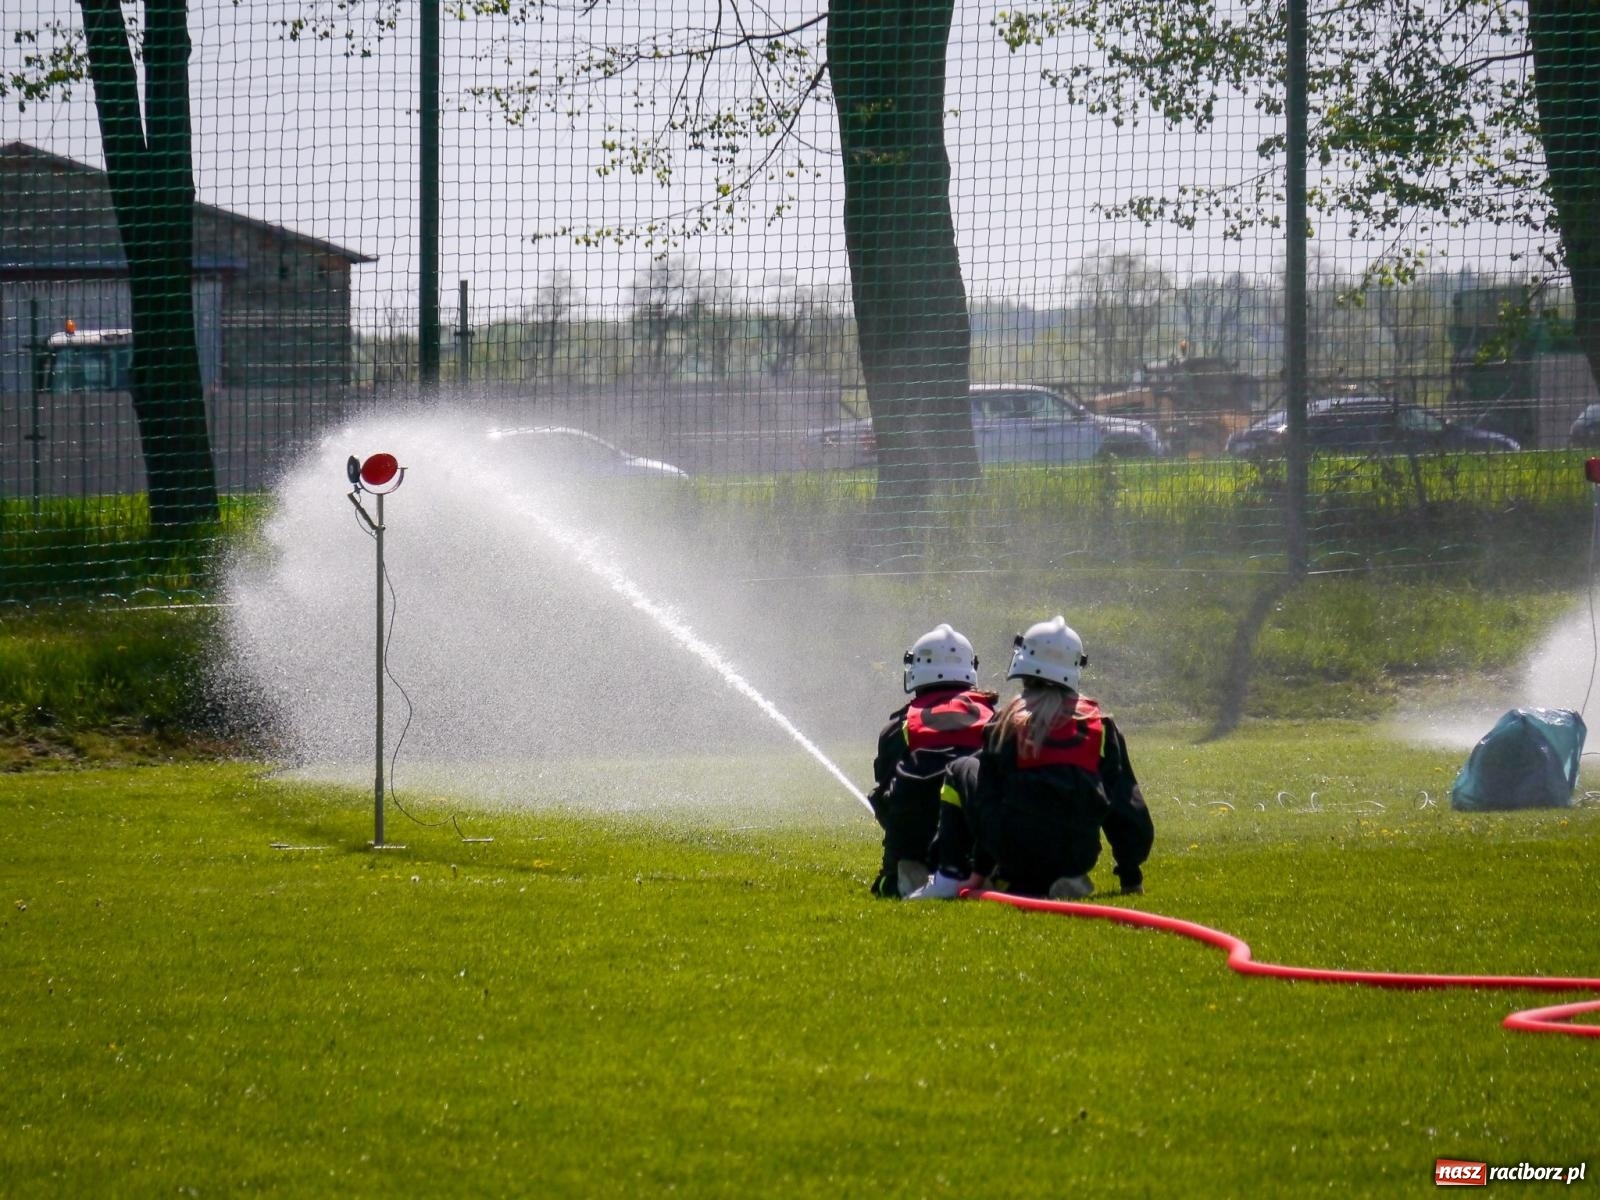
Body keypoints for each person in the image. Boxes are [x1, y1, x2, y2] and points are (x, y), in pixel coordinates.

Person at [907, 615, 1153, 901]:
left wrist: (980, 870)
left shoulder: (1008, 721)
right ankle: (1063, 878)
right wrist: (1130, 875)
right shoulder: (1099, 725)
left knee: (962, 768)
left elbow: (989, 792)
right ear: (1075, 665)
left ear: (1022, 661)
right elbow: (1127, 805)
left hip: (1013, 849)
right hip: (1078, 852)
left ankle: (950, 875)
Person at [866, 624, 999, 898]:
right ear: (970, 667)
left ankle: (899, 872)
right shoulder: (996, 719)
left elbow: (889, 792)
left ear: (915, 667)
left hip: (917, 843)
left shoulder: (900, 725)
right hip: (982, 844)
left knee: (882, 795)